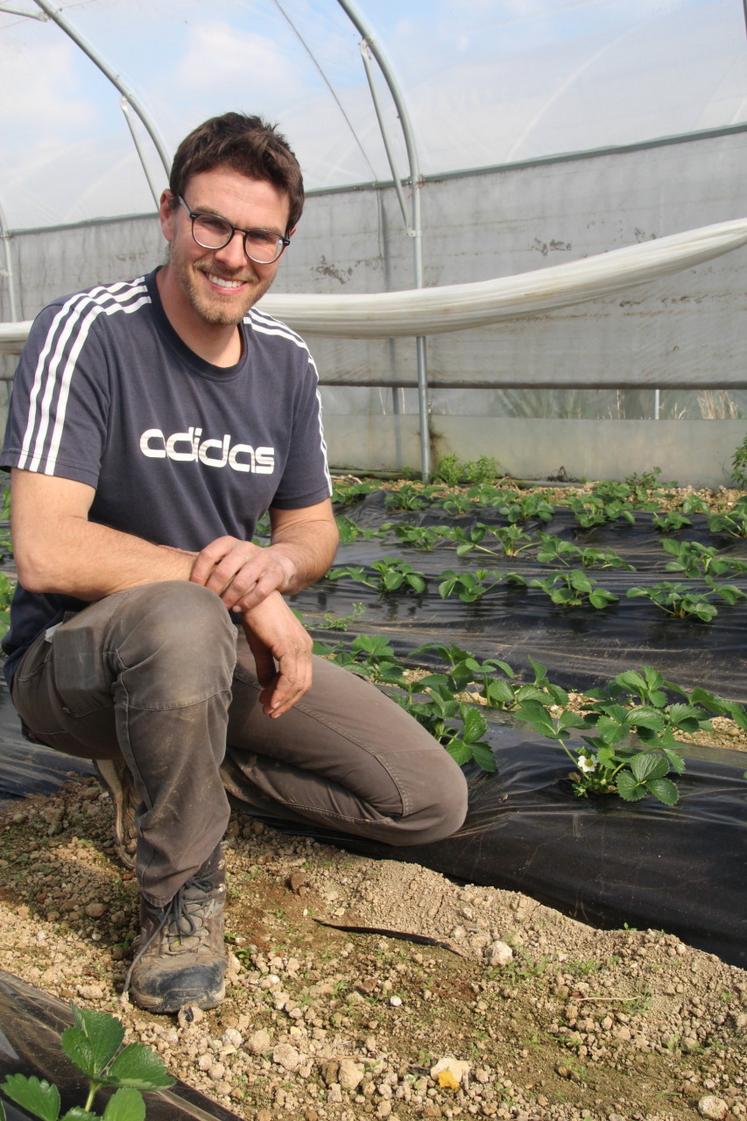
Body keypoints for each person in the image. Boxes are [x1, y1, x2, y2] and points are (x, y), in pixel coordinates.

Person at [0, 112, 469, 1014]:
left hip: (210, 664)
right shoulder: (90, 331)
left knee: (424, 798)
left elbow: (314, 530)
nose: (233, 254)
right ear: (171, 215)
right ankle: (180, 895)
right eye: (213, 223)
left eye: (262, 236)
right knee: (179, 615)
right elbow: (45, 546)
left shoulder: (285, 363)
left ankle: (174, 768)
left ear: (282, 244)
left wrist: (278, 572)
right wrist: (239, 598)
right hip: (76, 662)